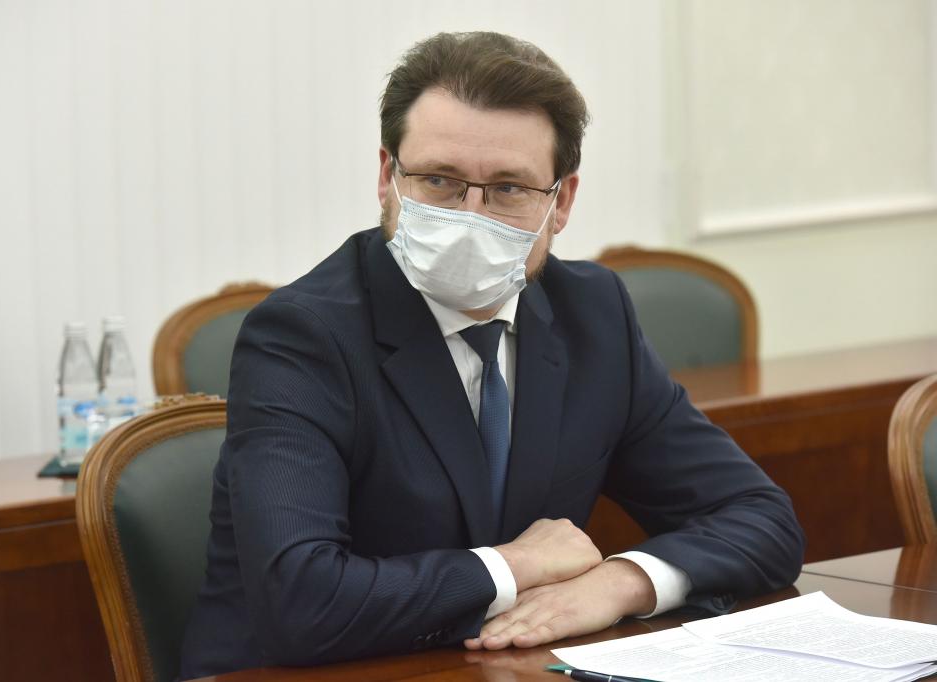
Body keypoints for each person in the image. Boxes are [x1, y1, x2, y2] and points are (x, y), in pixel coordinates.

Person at [178, 31, 804, 679]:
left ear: (561, 201)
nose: (470, 216)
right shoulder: (301, 337)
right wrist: (515, 565)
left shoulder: (593, 315)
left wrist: (621, 582)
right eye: (439, 180)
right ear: (387, 177)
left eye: (509, 188)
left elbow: (762, 519)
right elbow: (302, 603)